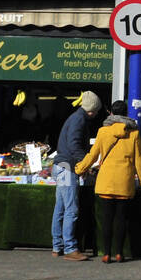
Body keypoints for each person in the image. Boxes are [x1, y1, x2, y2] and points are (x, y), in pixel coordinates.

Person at [76, 101, 141, 264]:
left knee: (107, 219)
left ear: (111, 113)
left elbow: (93, 155)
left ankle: (106, 253)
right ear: (126, 113)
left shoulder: (103, 132)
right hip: (124, 182)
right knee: (121, 219)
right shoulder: (134, 134)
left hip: (106, 182)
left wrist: (80, 168)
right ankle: (119, 254)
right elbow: (139, 160)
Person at [52, 91, 101, 261]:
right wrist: (86, 163)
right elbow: (74, 145)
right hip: (67, 167)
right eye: (96, 110)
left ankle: (57, 245)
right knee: (71, 209)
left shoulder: (75, 118)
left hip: (61, 165)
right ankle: (70, 248)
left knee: (61, 207)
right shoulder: (79, 120)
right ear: (92, 110)